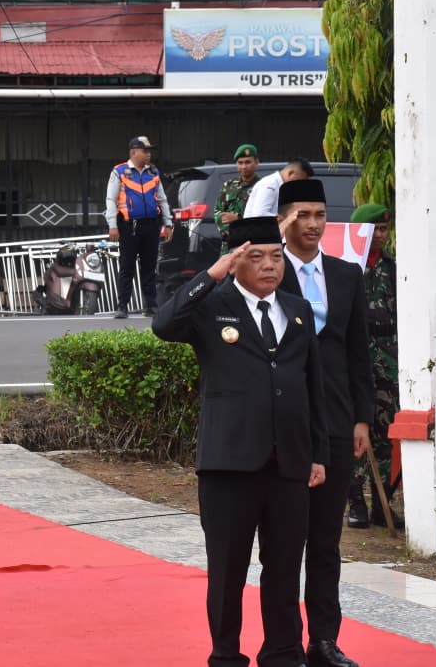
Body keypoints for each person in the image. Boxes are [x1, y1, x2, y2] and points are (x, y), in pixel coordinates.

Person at [153, 216, 328, 667]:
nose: (270, 266)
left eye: (276, 257)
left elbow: (313, 387)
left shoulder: (297, 309)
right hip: (229, 463)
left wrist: (318, 454)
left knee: (286, 568)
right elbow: (164, 324)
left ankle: (283, 653)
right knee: (228, 570)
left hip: (288, 461)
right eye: (256, 257)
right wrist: (212, 276)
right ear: (235, 263)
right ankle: (226, 654)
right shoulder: (213, 306)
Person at [275, 179, 374, 667]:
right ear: (283, 220)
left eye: (319, 215)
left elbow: (359, 352)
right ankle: (286, 644)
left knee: (326, 541)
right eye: (302, 215)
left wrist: (362, 417)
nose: (312, 224)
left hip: (337, 421)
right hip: (285, 422)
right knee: (286, 539)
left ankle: (324, 641)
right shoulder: (269, 274)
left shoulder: (345, 274)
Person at [345, 203, 401, 530]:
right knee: (356, 429)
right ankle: (356, 502)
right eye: (373, 229)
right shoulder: (347, 268)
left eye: (384, 229)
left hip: (388, 359)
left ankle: (383, 504)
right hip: (357, 356)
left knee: (383, 432)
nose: (379, 235)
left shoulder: (393, 268)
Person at [105, 135, 173, 318]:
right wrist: (112, 225)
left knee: (149, 267)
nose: (149, 155)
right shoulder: (119, 171)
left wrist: (168, 223)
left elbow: (162, 199)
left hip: (151, 225)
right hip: (129, 226)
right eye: (145, 151)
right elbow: (110, 200)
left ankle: (151, 306)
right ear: (134, 152)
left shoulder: (153, 172)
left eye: (150, 151)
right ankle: (122, 306)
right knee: (127, 267)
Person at [214, 143, 260, 253]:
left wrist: (239, 219)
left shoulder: (262, 186)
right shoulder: (229, 186)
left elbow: (263, 217)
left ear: (256, 162)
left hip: (253, 246)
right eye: (240, 163)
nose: (244, 166)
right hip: (229, 246)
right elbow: (218, 212)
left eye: (248, 162)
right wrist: (232, 233)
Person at [243, 157, 314, 218]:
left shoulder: (281, 186)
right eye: (299, 181)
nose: (299, 186)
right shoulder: (270, 184)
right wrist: (285, 219)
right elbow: (259, 214)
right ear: (290, 173)